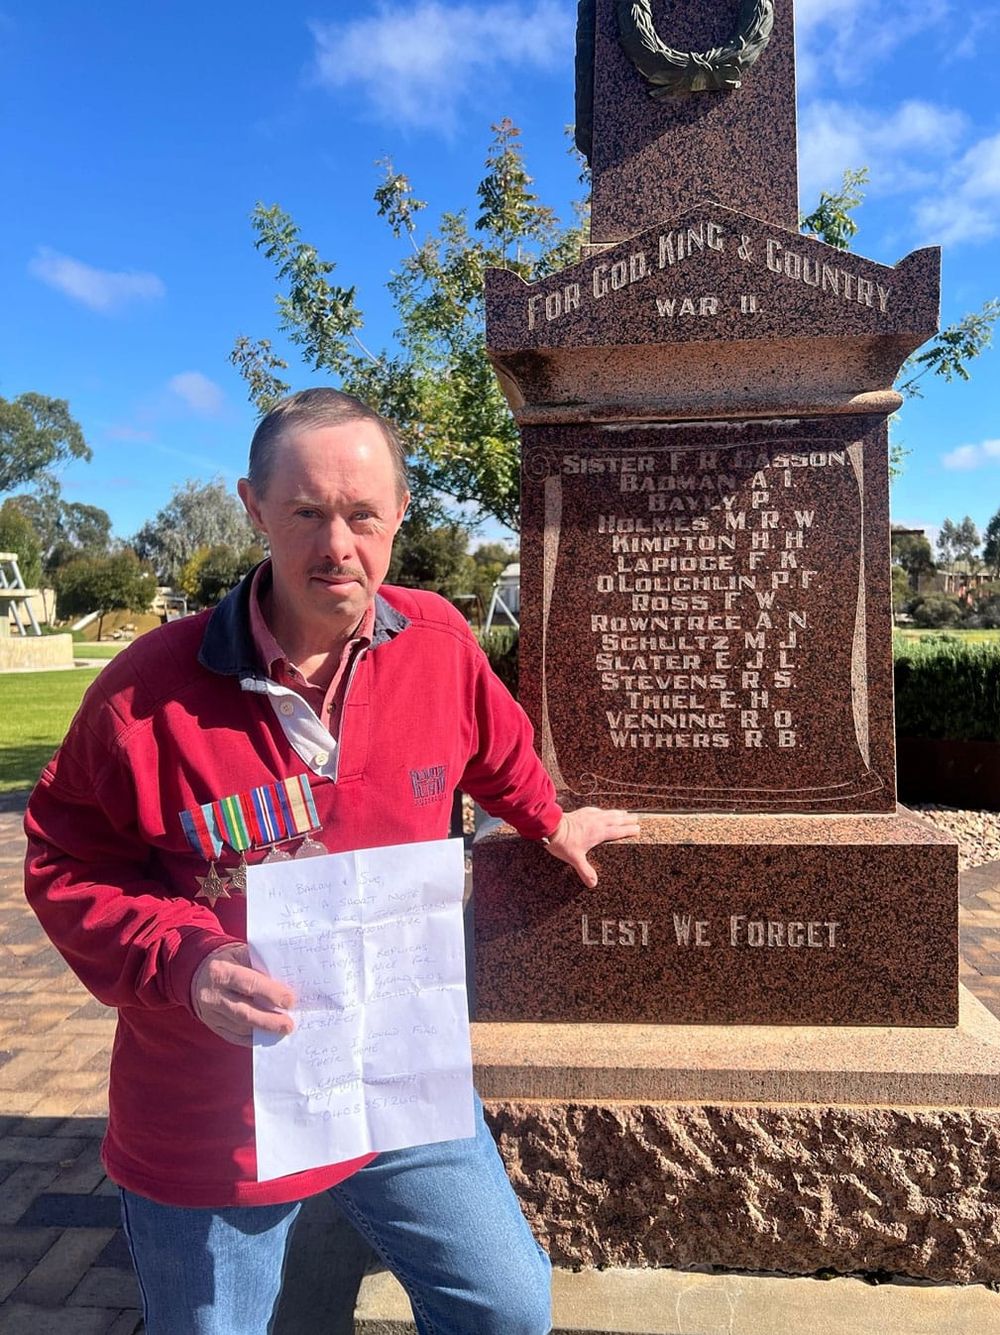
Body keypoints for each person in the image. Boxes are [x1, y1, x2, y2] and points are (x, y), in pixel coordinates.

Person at [23, 388, 639, 1335]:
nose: (336, 546)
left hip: (398, 1079)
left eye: (361, 514)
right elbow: (67, 858)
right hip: (215, 1116)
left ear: (400, 514)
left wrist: (549, 818)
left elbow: (495, 745)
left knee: (507, 1308)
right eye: (306, 512)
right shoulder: (145, 693)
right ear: (254, 508)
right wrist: (188, 963)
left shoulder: (436, 641)